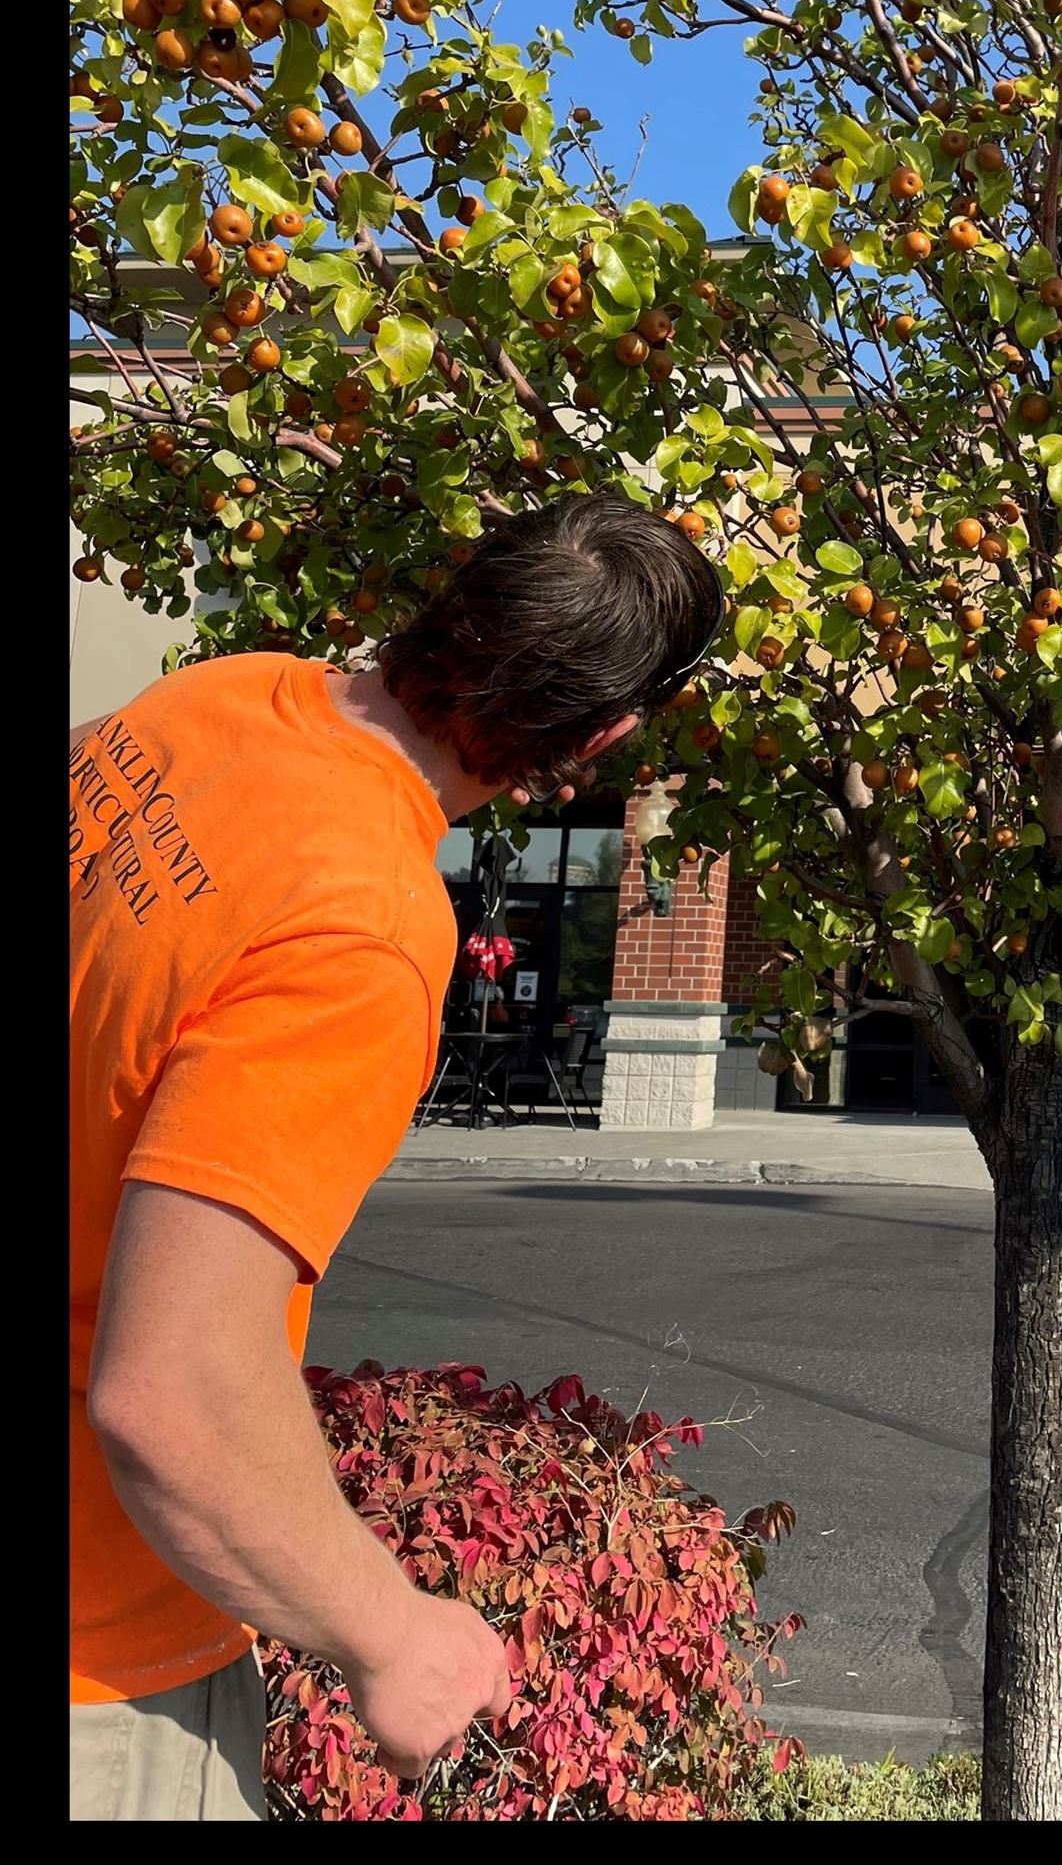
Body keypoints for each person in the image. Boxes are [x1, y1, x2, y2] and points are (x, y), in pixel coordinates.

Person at [69, 493, 724, 1822]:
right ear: (600, 738)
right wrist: (394, 1635)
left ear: (459, 591)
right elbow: (167, 1395)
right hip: (96, 1652)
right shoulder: (361, 928)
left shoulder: (217, 698)